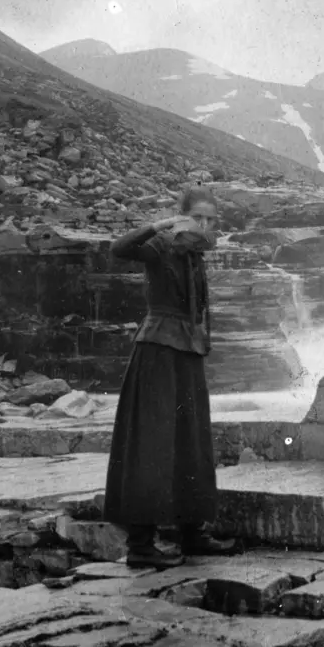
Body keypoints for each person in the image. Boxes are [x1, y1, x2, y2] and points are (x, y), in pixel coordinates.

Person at [103, 186, 237, 569]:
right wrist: (156, 226)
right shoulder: (160, 245)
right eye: (199, 217)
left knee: (191, 440)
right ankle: (141, 545)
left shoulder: (196, 254)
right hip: (158, 352)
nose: (206, 225)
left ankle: (192, 533)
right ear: (183, 216)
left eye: (212, 220)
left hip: (187, 354)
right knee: (153, 440)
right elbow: (119, 249)